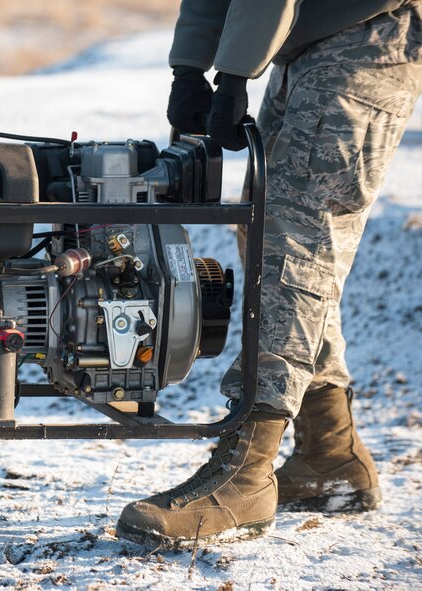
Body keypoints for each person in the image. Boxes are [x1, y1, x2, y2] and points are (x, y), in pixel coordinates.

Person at [117, 0, 422, 548]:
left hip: (368, 35)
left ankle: (247, 476)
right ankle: (329, 454)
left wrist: (233, 71)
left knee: (295, 241)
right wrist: (190, 65)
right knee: (265, 233)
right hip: (305, 42)